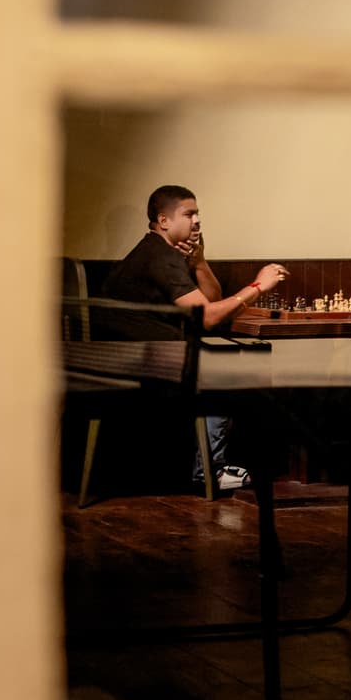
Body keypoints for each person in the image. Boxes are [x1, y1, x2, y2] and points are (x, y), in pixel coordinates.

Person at [103, 185, 288, 490]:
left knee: (223, 359)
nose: (197, 221)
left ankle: (210, 464)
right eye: (189, 214)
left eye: (198, 213)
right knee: (226, 367)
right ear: (164, 220)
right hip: (139, 364)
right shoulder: (159, 257)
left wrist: (199, 262)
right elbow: (209, 317)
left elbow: (211, 299)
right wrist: (258, 286)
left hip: (136, 357)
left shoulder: (159, 251)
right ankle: (209, 470)